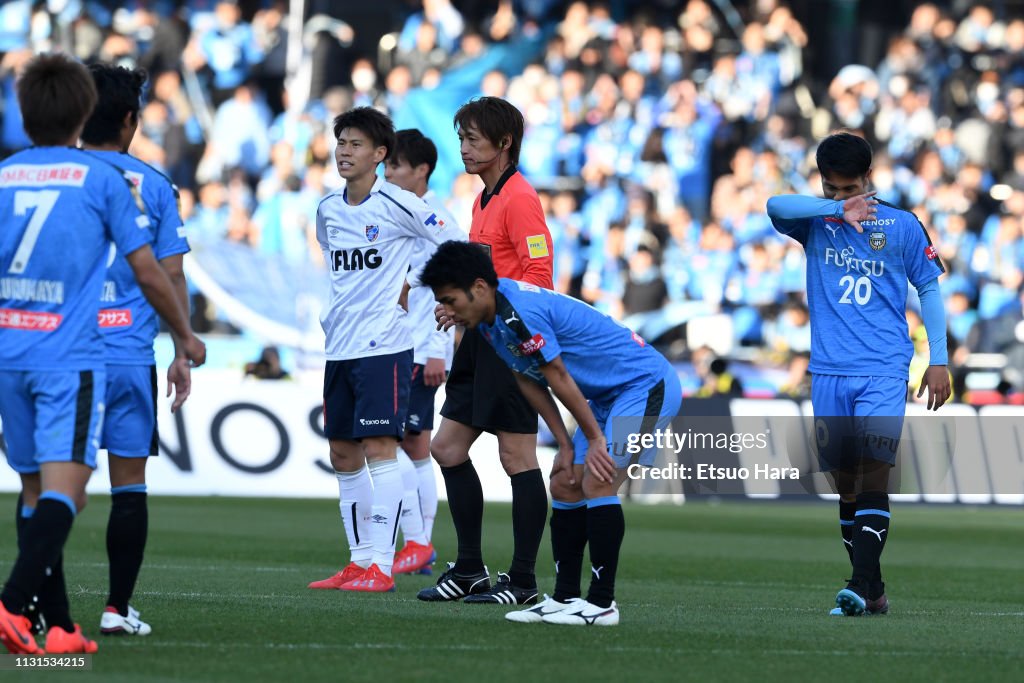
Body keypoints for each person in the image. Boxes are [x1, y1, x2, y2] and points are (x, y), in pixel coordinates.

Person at [0, 53, 205, 655]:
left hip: (13, 353)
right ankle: (19, 604)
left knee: (36, 490)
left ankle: (57, 624)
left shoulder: (7, 173)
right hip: (81, 355)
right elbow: (154, 269)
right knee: (80, 489)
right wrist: (184, 338)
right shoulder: (115, 181)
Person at [420, 240, 682, 626]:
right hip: (608, 396)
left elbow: (557, 375)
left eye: (450, 299)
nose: (448, 310)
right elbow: (529, 381)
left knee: (597, 479)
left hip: (646, 385)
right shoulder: (491, 319)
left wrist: (593, 439)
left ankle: (602, 603)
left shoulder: (517, 313)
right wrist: (562, 443)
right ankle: (563, 599)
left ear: (478, 287)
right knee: (564, 482)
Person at [766, 131, 950, 617]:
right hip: (828, 370)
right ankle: (874, 587)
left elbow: (929, 289)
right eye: (832, 188)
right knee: (845, 485)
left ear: (869, 178)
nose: (842, 197)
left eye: (849, 189)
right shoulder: (816, 221)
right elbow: (774, 204)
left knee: (873, 474)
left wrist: (939, 358)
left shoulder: (903, 225)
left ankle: (858, 585)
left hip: (884, 368)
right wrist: (831, 210)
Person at [307, 107, 463, 593]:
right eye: (341, 144)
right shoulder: (328, 208)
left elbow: (452, 236)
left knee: (381, 449)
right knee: (341, 452)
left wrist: (419, 286)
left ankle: (381, 564)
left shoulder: (396, 203)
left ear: (379, 155)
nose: (344, 152)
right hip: (339, 347)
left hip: (384, 346)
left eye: (355, 145)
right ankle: (357, 561)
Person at [418, 97, 554, 606]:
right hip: (481, 338)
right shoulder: (481, 200)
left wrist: (483, 305)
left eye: (473, 139)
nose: (464, 149)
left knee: (516, 455)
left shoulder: (520, 198)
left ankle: (522, 581)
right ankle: (471, 570)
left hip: (513, 341)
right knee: (447, 448)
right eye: (461, 139)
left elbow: (540, 277)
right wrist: (461, 307)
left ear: (504, 144)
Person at [80, 63, 195, 637]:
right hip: (126, 353)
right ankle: (116, 608)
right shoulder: (152, 184)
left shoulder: (44, 174)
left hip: (58, 355)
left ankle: (30, 610)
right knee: (128, 485)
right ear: (130, 119)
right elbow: (170, 275)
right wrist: (182, 345)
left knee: (55, 487)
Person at [383, 129, 465, 575]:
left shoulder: (435, 218)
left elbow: (450, 282)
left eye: (395, 165)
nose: (388, 172)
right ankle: (416, 546)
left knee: (408, 443)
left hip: (420, 349)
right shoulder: (394, 213)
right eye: (386, 165)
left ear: (422, 171)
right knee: (403, 444)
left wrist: (438, 350)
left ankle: (418, 543)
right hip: (394, 345)